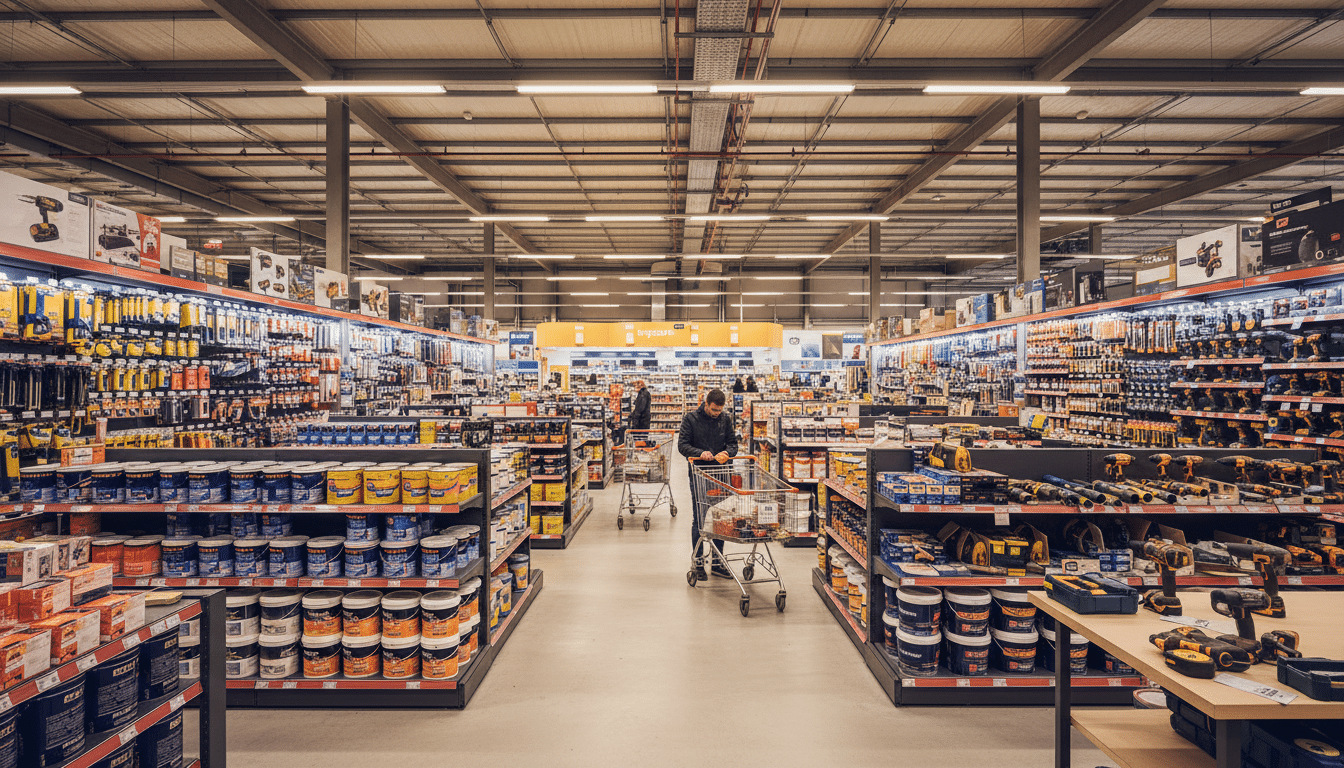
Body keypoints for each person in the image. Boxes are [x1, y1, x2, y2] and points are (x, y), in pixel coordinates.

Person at [678, 389, 738, 579]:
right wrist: (699, 453)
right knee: (700, 518)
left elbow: (733, 444)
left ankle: (717, 562)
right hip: (700, 475)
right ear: (706, 404)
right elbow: (682, 445)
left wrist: (728, 453)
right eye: (713, 409)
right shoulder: (690, 419)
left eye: (719, 410)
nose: (716, 413)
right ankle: (697, 563)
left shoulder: (725, 419)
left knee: (721, 519)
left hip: (721, 475)